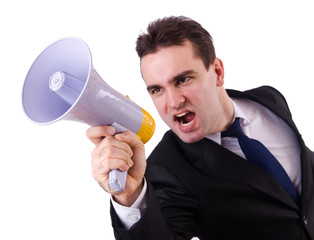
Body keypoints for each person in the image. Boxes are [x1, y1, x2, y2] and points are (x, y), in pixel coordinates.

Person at [86, 16, 314, 240]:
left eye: (183, 80)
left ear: (217, 72)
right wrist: (130, 196)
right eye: (157, 90)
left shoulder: (268, 99)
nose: (173, 102)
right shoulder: (167, 168)